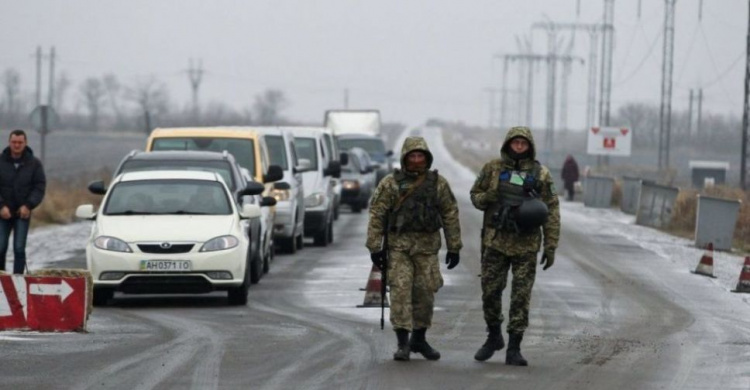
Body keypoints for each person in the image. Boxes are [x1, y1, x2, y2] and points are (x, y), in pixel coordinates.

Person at [470, 126, 560, 366]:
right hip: (495, 242)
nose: (519, 147)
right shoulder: (492, 169)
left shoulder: (541, 174)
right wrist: (487, 197)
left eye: (524, 143)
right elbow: (475, 196)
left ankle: (514, 347)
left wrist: (551, 245)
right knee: (490, 292)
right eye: (515, 143)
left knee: (521, 297)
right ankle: (494, 336)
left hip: (526, 245)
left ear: (529, 146)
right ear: (508, 144)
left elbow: (551, 210)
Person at [367, 136, 462, 362]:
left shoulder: (438, 184)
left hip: (427, 249)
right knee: (400, 291)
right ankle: (402, 343)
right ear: (405, 158)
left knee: (424, 293)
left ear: (427, 158)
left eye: (420, 156)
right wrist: (375, 247)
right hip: (399, 247)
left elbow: (450, 214)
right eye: (413, 156)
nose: (417, 160)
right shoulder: (390, 183)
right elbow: (377, 214)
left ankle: (419, 339)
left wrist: (454, 246)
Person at [0, 130, 46, 274]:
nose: (17, 145)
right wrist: (1, 206)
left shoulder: (34, 164)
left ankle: (18, 281)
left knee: (19, 248)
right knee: (0, 247)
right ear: (9, 142)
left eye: (20, 142)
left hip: (23, 213)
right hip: (3, 212)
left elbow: (39, 187)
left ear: (25, 143)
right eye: (14, 142)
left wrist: (28, 205)